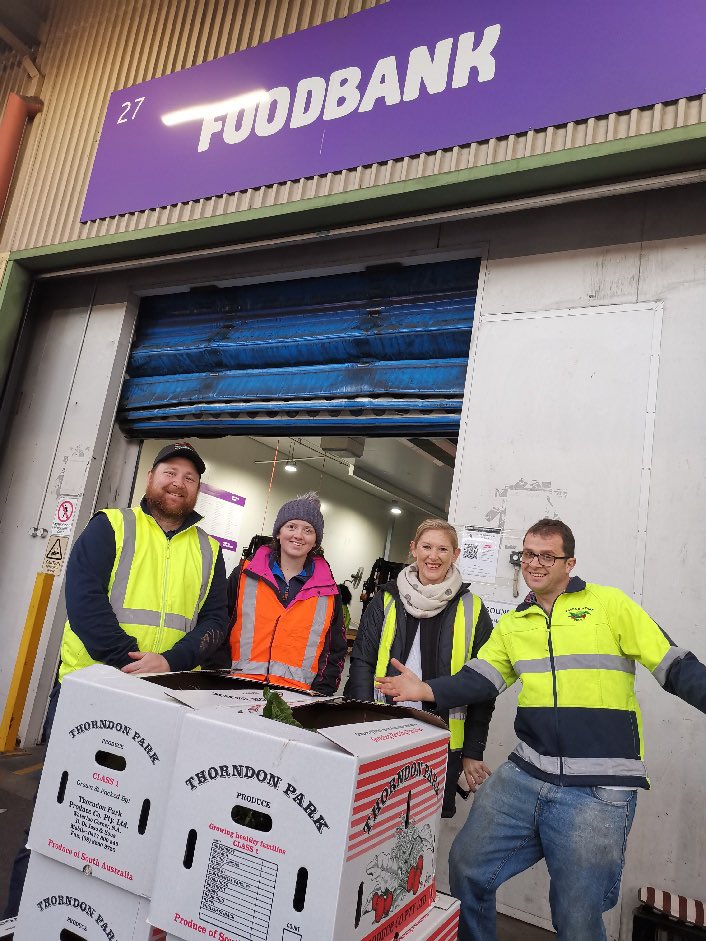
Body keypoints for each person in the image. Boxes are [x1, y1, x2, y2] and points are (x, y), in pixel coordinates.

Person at [376, 518, 706, 941]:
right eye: (528, 554)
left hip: (597, 789)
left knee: (575, 917)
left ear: (569, 562)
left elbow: (675, 665)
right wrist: (424, 688)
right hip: (526, 774)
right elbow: (480, 678)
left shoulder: (609, 605)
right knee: (468, 867)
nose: (534, 563)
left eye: (546, 555)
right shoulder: (515, 624)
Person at [2, 441, 228, 918]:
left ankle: (105, 919)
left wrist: (170, 661)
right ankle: (24, 919)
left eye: (189, 478)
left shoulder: (210, 551)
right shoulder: (111, 527)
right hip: (94, 694)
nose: (178, 483)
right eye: (170, 472)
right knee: (62, 814)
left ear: (198, 490)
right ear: (151, 476)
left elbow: (216, 621)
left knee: (141, 821)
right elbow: (84, 601)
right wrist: (128, 663)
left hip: (168, 699)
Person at [345, 519, 496, 818]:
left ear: (456, 554)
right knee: (375, 817)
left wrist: (472, 751)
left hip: (441, 742)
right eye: (426, 547)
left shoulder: (474, 609)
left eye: (443, 549)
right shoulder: (385, 599)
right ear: (413, 549)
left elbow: (483, 689)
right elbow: (361, 662)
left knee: (424, 829)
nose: (433, 556)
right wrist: (360, 723)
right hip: (382, 733)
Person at [228, 491, 346, 693]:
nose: (298, 535)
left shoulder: (328, 592)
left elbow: (335, 651)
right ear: (278, 533)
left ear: (316, 541)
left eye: (308, 530)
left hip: (296, 700)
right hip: (235, 690)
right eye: (291, 527)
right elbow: (219, 625)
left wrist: (319, 694)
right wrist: (217, 676)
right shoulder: (244, 575)